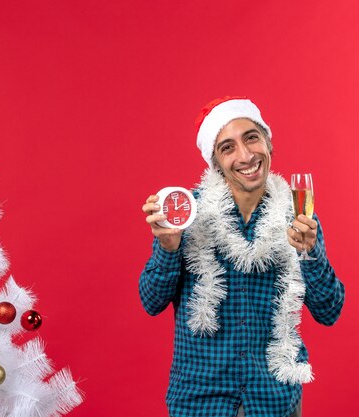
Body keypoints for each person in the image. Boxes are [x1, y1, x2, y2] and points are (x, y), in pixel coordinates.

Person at [139, 97, 345, 417]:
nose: (245, 155)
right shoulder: (186, 214)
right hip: (200, 400)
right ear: (216, 163)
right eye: (228, 147)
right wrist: (168, 247)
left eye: (251, 138)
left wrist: (309, 252)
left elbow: (329, 310)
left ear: (268, 143)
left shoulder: (297, 215)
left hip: (273, 400)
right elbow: (151, 302)